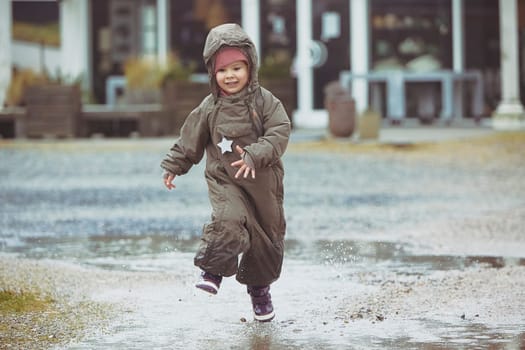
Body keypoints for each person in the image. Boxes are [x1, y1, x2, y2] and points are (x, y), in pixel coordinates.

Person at [160, 23, 291, 322]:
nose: (230, 76)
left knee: (265, 239)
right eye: (222, 71)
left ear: (250, 66)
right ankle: (213, 270)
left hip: (262, 184)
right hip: (225, 180)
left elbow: (280, 132)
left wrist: (256, 154)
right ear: (212, 73)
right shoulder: (209, 108)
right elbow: (189, 140)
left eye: (236, 68)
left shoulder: (265, 102)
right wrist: (174, 165)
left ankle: (260, 291)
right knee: (228, 219)